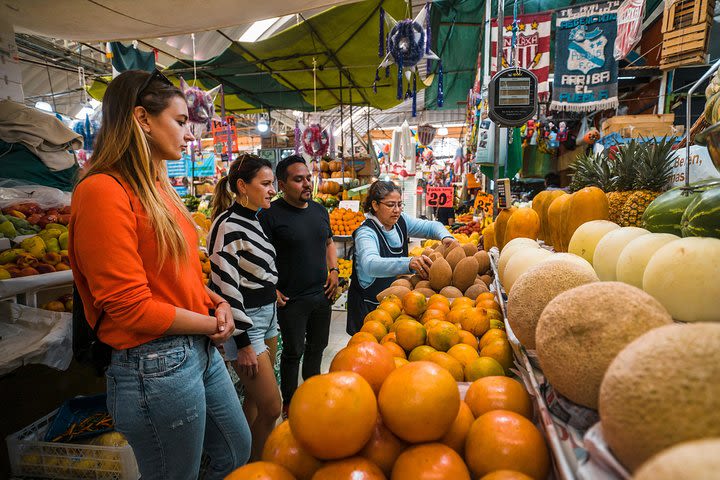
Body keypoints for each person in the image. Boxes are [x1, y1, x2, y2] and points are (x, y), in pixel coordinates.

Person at [69, 70, 250, 480]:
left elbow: (177, 274)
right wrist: (210, 323)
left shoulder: (158, 188)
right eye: (181, 121)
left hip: (195, 351)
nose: (190, 135)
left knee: (235, 451)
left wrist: (215, 300)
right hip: (153, 364)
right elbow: (128, 307)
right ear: (143, 119)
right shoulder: (102, 190)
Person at [207, 154, 282, 460]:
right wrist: (242, 343)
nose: (272, 190)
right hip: (246, 324)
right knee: (272, 406)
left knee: (253, 401)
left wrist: (270, 288)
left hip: (268, 317)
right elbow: (225, 286)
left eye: (272, 183)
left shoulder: (254, 218)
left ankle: (247, 462)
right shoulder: (226, 226)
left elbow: (252, 269)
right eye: (265, 184)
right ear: (242, 186)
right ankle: (257, 465)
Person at [260, 155, 338, 418]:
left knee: (318, 347)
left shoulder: (319, 210)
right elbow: (260, 256)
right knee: (294, 352)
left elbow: (328, 243)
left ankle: (313, 395)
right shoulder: (269, 215)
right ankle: (290, 405)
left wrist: (335, 270)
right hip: (291, 300)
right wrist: (271, 286)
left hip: (321, 294)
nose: (307, 183)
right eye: (298, 179)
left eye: (308, 178)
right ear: (282, 184)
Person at [347, 181, 457, 334]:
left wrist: (446, 237)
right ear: (375, 205)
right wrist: (409, 262)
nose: (397, 210)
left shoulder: (400, 221)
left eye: (400, 204)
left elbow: (431, 226)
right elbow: (370, 264)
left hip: (395, 302)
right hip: (369, 305)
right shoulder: (365, 233)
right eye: (391, 205)